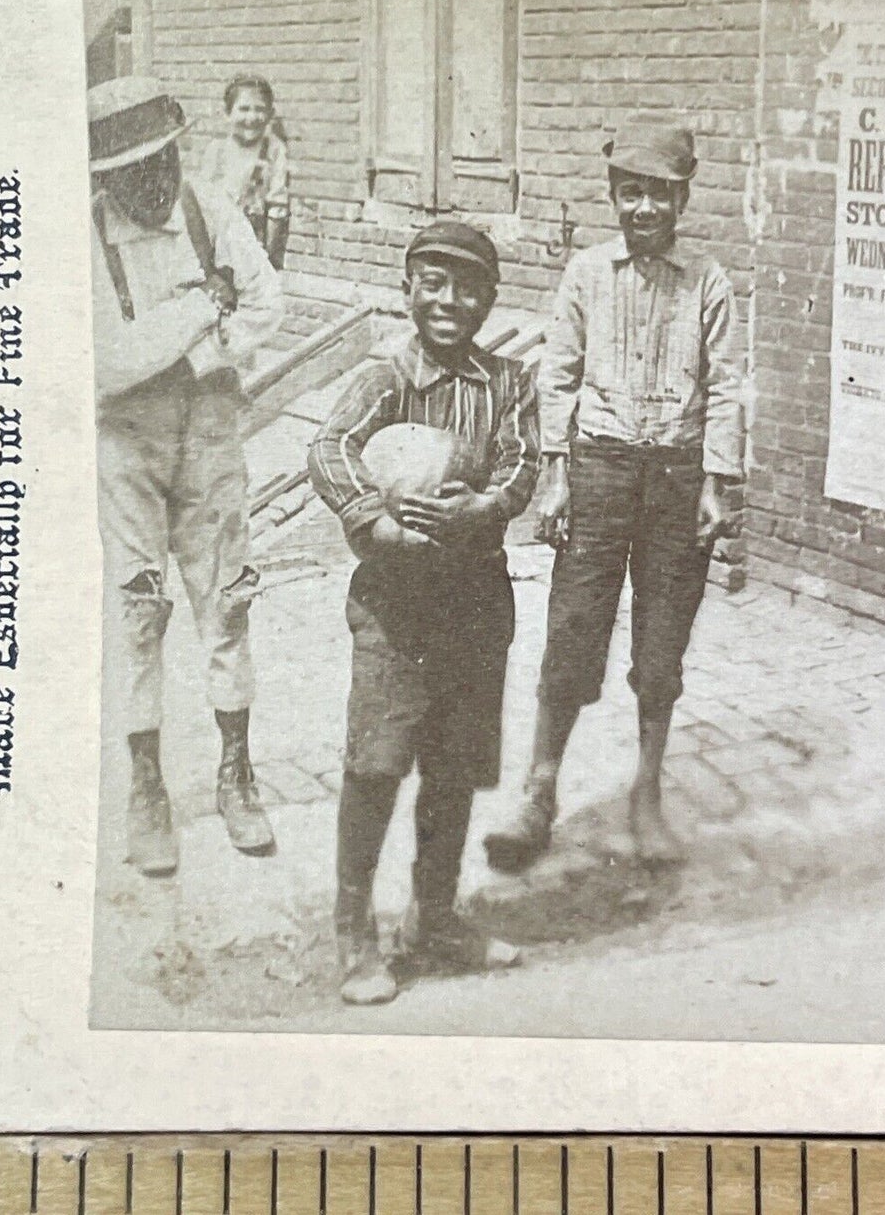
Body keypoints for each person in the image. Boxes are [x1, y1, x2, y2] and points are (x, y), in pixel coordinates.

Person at [483, 114, 745, 874]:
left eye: (659, 194)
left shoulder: (708, 283)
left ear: (682, 199)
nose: (643, 209)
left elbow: (726, 387)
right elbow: (556, 376)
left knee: (661, 643)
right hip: (597, 469)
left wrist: (717, 484)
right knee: (573, 627)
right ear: (612, 196)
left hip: (676, 475)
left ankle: (646, 794)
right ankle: (538, 790)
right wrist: (558, 475)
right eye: (630, 193)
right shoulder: (586, 275)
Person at [307, 220, 539, 1005]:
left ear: (488, 299)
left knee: (454, 766)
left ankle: (433, 917)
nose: (449, 300)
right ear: (408, 288)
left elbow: (521, 461)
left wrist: (484, 504)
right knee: (376, 763)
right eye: (433, 282)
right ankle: (352, 929)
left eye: (468, 286)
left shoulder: (507, 381)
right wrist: (374, 517)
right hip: (396, 606)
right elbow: (329, 447)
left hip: (475, 599)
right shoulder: (385, 376)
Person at [89, 76, 284, 876]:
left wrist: (201, 346)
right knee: (139, 614)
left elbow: (267, 301)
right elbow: (108, 360)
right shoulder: (87, 234)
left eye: (162, 160)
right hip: (128, 447)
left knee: (226, 605)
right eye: (134, 169)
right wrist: (202, 307)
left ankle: (236, 776)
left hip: (208, 434)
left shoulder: (207, 207)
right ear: (105, 177)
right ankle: (146, 789)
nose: (154, 182)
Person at [199, 74, 292, 270]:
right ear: (227, 113)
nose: (251, 117)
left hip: (255, 247)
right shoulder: (217, 150)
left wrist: (269, 262)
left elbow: (278, 206)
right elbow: (203, 204)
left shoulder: (274, 150)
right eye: (243, 109)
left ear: (270, 113)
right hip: (219, 244)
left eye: (259, 109)